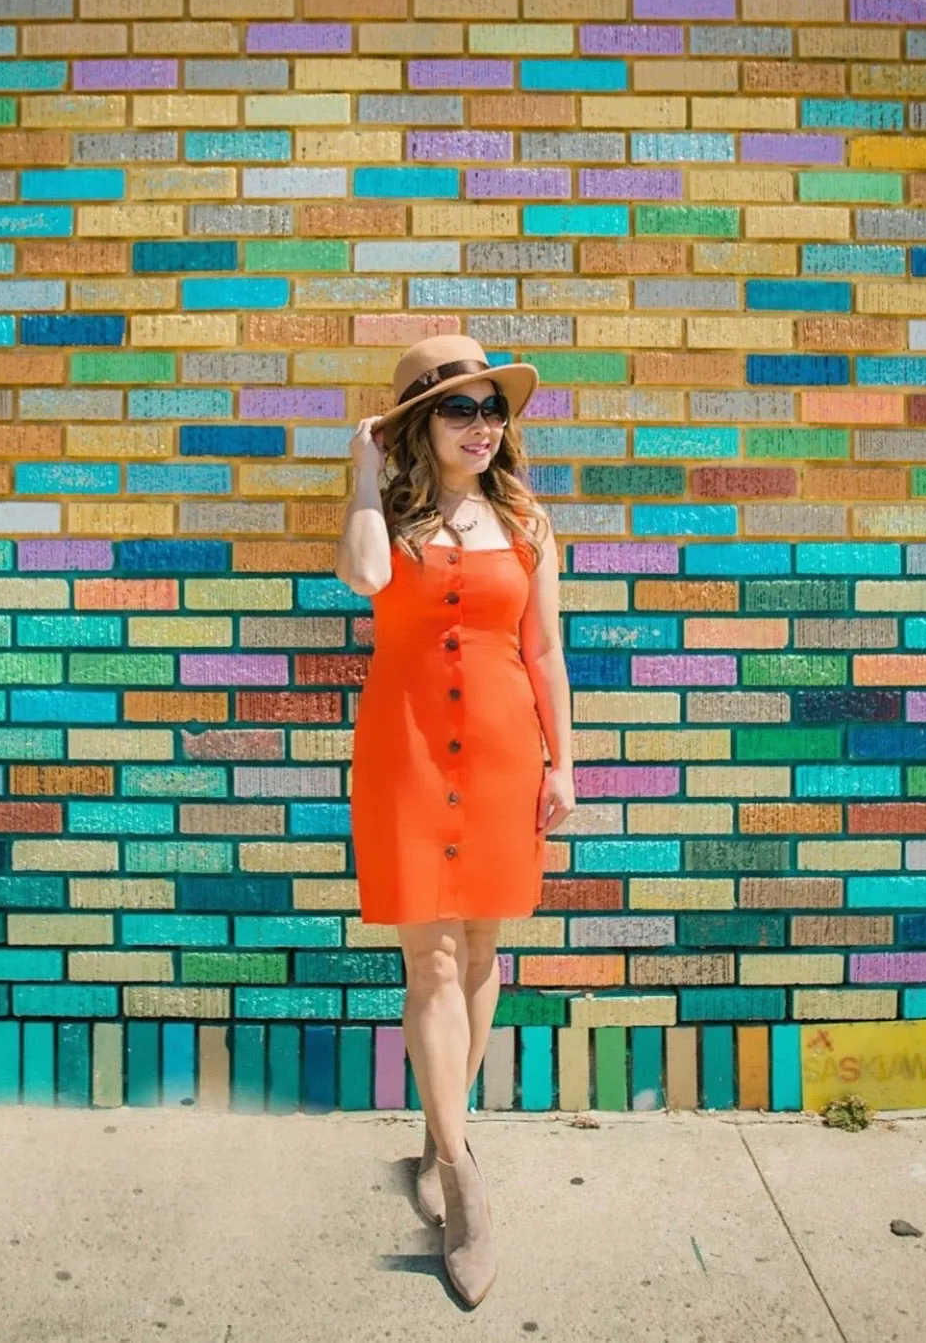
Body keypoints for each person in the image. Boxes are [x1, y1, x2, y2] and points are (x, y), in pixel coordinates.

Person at [334, 334, 576, 1307]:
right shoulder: (385, 517)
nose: (483, 426)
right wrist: (360, 466)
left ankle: (441, 1135)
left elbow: (547, 646)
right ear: (415, 428)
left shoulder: (526, 518)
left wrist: (566, 759)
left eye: (491, 408)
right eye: (459, 409)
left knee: (480, 954)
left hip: (507, 750)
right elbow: (359, 576)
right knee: (427, 959)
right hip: (405, 751)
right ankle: (465, 1177)